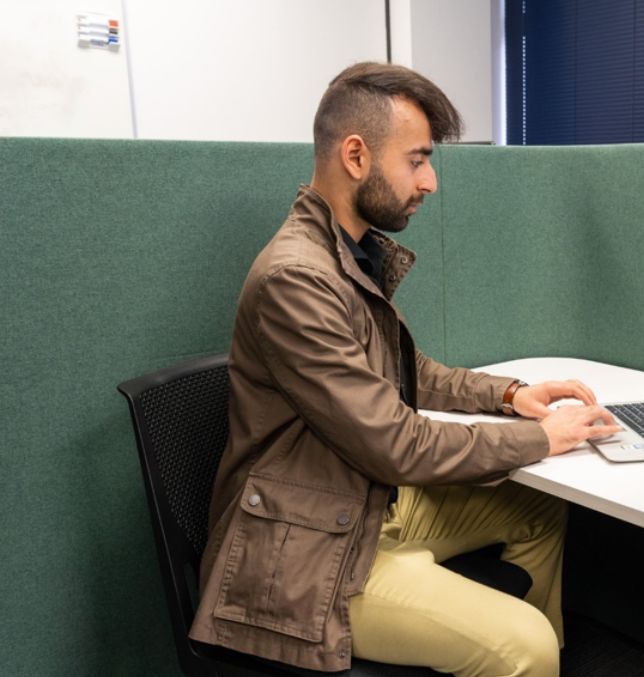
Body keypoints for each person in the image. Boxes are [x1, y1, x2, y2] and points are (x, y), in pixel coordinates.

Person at [189, 62, 620, 677]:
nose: (432, 182)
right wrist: (541, 437)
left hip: (360, 502)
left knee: (537, 510)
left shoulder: (345, 252)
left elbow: (407, 370)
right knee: (522, 643)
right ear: (357, 155)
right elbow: (393, 442)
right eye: (417, 160)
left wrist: (512, 396)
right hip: (303, 551)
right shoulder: (297, 279)